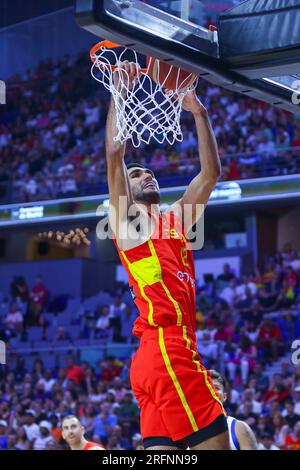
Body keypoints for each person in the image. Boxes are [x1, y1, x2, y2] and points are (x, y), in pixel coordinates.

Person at [105, 61, 228, 450]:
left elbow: (210, 175)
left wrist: (198, 111)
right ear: (126, 187)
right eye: (138, 173)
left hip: (152, 360)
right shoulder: (130, 224)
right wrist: (119, 93)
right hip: (167, 347)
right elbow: (114, 154)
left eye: (148, 171)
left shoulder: (176, 216)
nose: (147, 175)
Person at [209, 369, 258, 450]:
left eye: (216, 387)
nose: (212, 391)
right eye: (207, 387)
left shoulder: (239, 429)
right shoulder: (187, 433)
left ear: (224, 397)